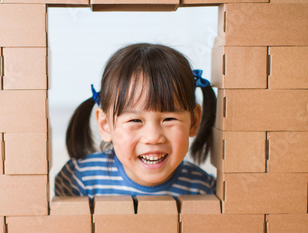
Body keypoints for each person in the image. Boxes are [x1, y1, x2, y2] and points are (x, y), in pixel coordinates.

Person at [55, 43, 216, 198]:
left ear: (194, 121)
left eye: (169, 119)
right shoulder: (78, 181)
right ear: (105, 126)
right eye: (135, 121)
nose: (153, 137)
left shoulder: (203, 190)